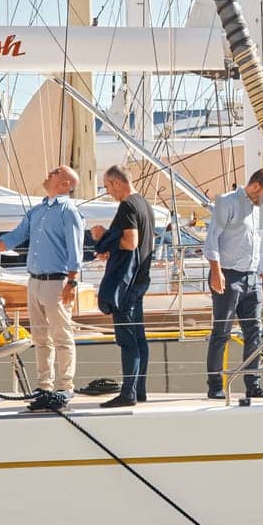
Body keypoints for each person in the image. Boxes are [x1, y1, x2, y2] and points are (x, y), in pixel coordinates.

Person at [0, 165, 85, 402]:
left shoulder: (68, 211)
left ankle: (65, 385)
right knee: (40, 337)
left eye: (56, 172)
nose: (49, 172)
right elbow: (15, 237)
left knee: (61, 336)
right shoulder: (37, 211)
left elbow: (75, 247)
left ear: (66, 183)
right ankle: (44, 385)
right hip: (35, 282)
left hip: (57, 282)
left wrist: (73, 282)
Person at [204, 168, 263, 400]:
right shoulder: (226, 203)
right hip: (228, 275)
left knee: (254, 331)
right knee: (221, 333)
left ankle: (253, 383)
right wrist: (216, 272)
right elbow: (211, 239)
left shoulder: (261, 210)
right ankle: (215, 384)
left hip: (252, 278)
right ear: (256, 186)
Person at [92, 166, 156, 408]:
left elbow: (130, 242)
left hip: (126, 284)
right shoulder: (144, 204)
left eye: (107, 187)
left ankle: (128, 393)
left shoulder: (128, 206)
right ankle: (139, 389)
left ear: (117, 183)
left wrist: (103, 237)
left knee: (127, 338)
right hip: (140, 279)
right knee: (139, 337)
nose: (108, 192)